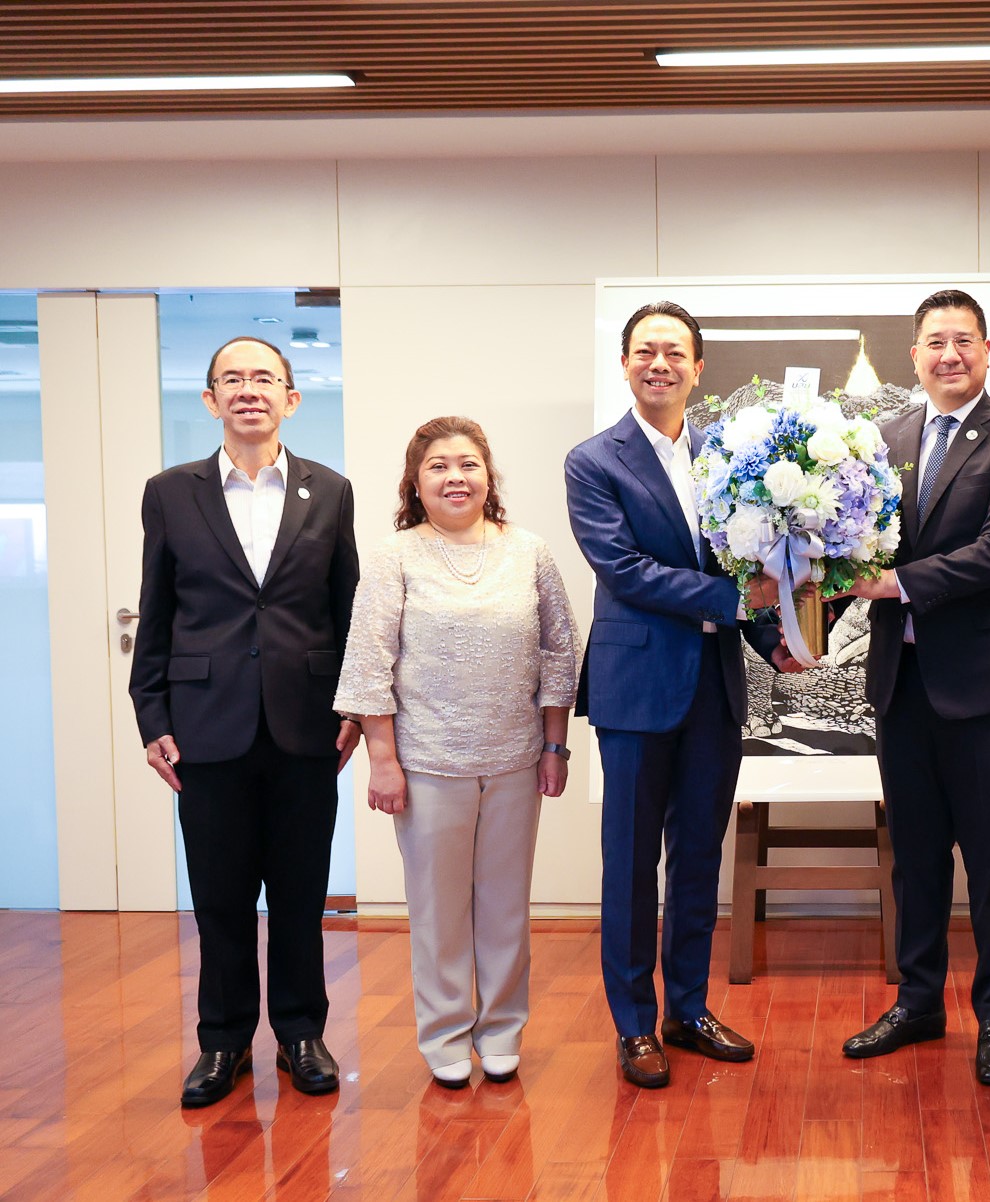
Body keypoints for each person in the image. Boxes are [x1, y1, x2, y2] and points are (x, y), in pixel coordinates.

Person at [565, 301, 801, 1090]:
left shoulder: (725, 458)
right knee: (631, 864)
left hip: (713, 687)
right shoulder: (593, 462)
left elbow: (742, 568)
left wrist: (774, 640)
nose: (658, 363)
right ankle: (635, 1024)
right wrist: (736, 602)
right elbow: (623, 569)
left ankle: (688, 1010)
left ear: (699, 369)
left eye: (674, 352)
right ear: (624, 365)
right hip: (636, 687)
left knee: (699, 855)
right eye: (645, 351)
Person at [129, 336, 359, 1108]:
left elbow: (348, 610)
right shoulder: (171, 492)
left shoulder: (330, 490)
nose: (248, 390)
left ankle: (301, 1033)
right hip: (205, 724)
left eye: (265, 377)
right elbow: (156, 610)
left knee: (300, 891)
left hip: (307, 722)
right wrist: (151, 715)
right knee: (220, 896)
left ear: (292, 397)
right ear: (210, 399)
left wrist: (355, 707)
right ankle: (223, 1041)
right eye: (232, 379)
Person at [839, 289, 990, 1086]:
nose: (950, 354)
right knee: (916, 856)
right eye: (935, 341)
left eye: (965, 340)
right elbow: (853, 539)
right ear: (915, 356)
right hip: (903, 681)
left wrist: (893, 583)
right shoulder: (882, 438)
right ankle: (918, 1000)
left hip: (988, 685)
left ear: (987, 351)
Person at [334, 416, 578, 1088]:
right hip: (427, 763)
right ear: (415, 482)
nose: (455, 477)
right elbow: (369, 662)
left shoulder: (530, 552)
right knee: (438, 910)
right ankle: (444, 1034)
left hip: (515, 759)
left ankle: (501, 1029)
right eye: (438, 466)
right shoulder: (395, 556)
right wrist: (383, 760)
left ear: (488, 476)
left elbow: (560, 652)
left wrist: (555, 745)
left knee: (505, 906)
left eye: (468, 464)